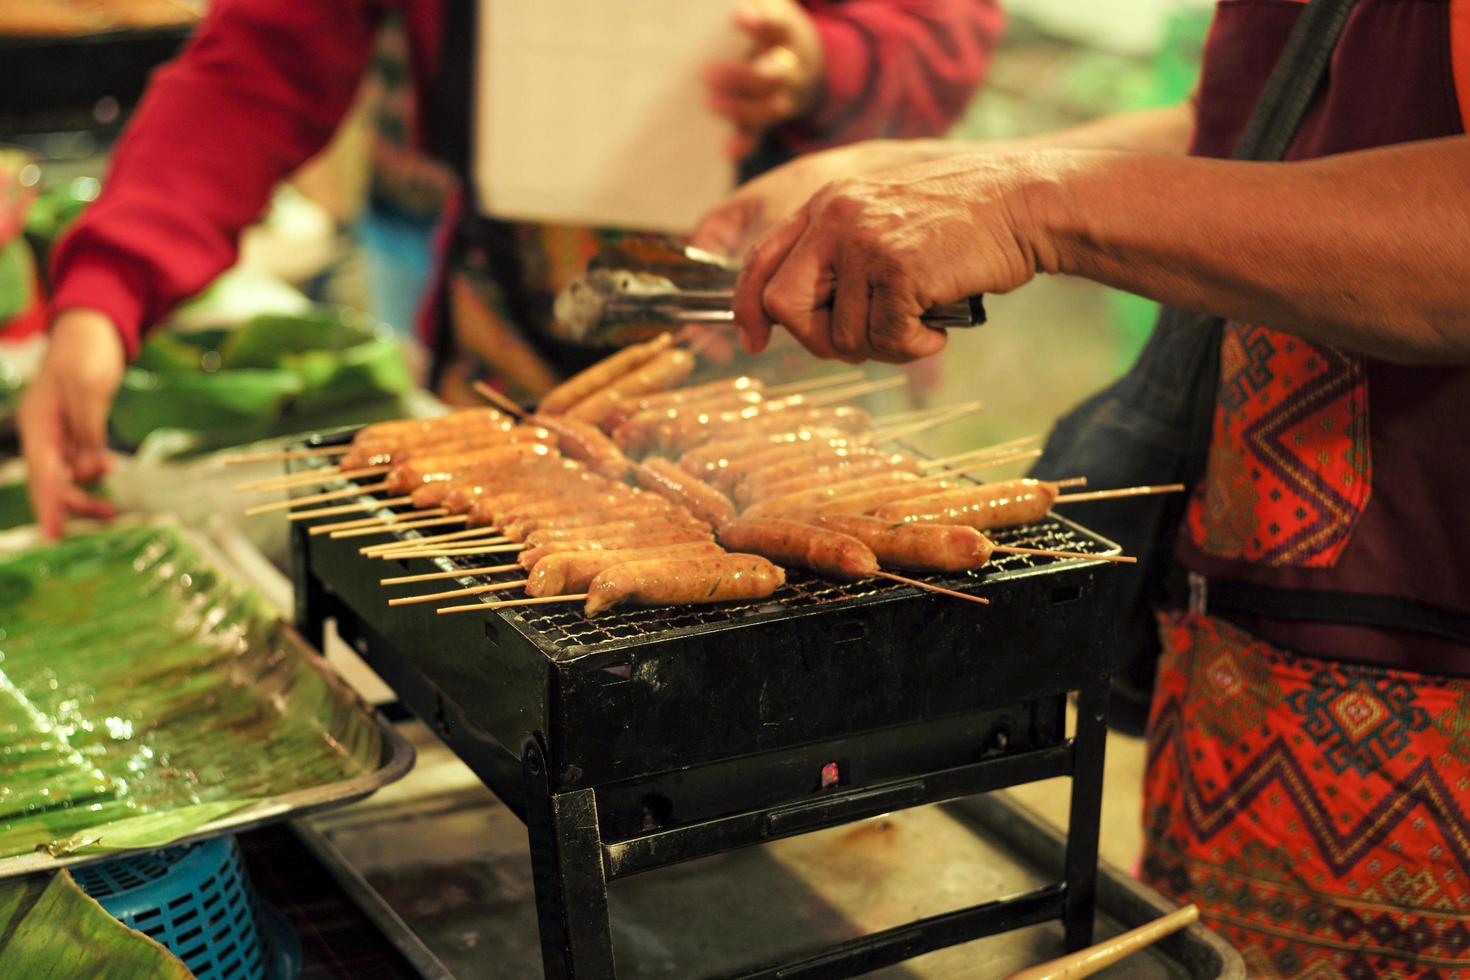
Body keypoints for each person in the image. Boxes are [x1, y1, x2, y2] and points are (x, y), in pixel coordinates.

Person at [704, 6, 1470, 977]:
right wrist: (916, 174)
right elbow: (1245, 126)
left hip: (1430, 731)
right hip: (1247, 688)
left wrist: (1033, 202)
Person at [20, 0, 1003, 538]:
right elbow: (258, 65)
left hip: (796, 325)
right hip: (508, 334)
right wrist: (107, 295)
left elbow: (946, 24)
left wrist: (825, 59)